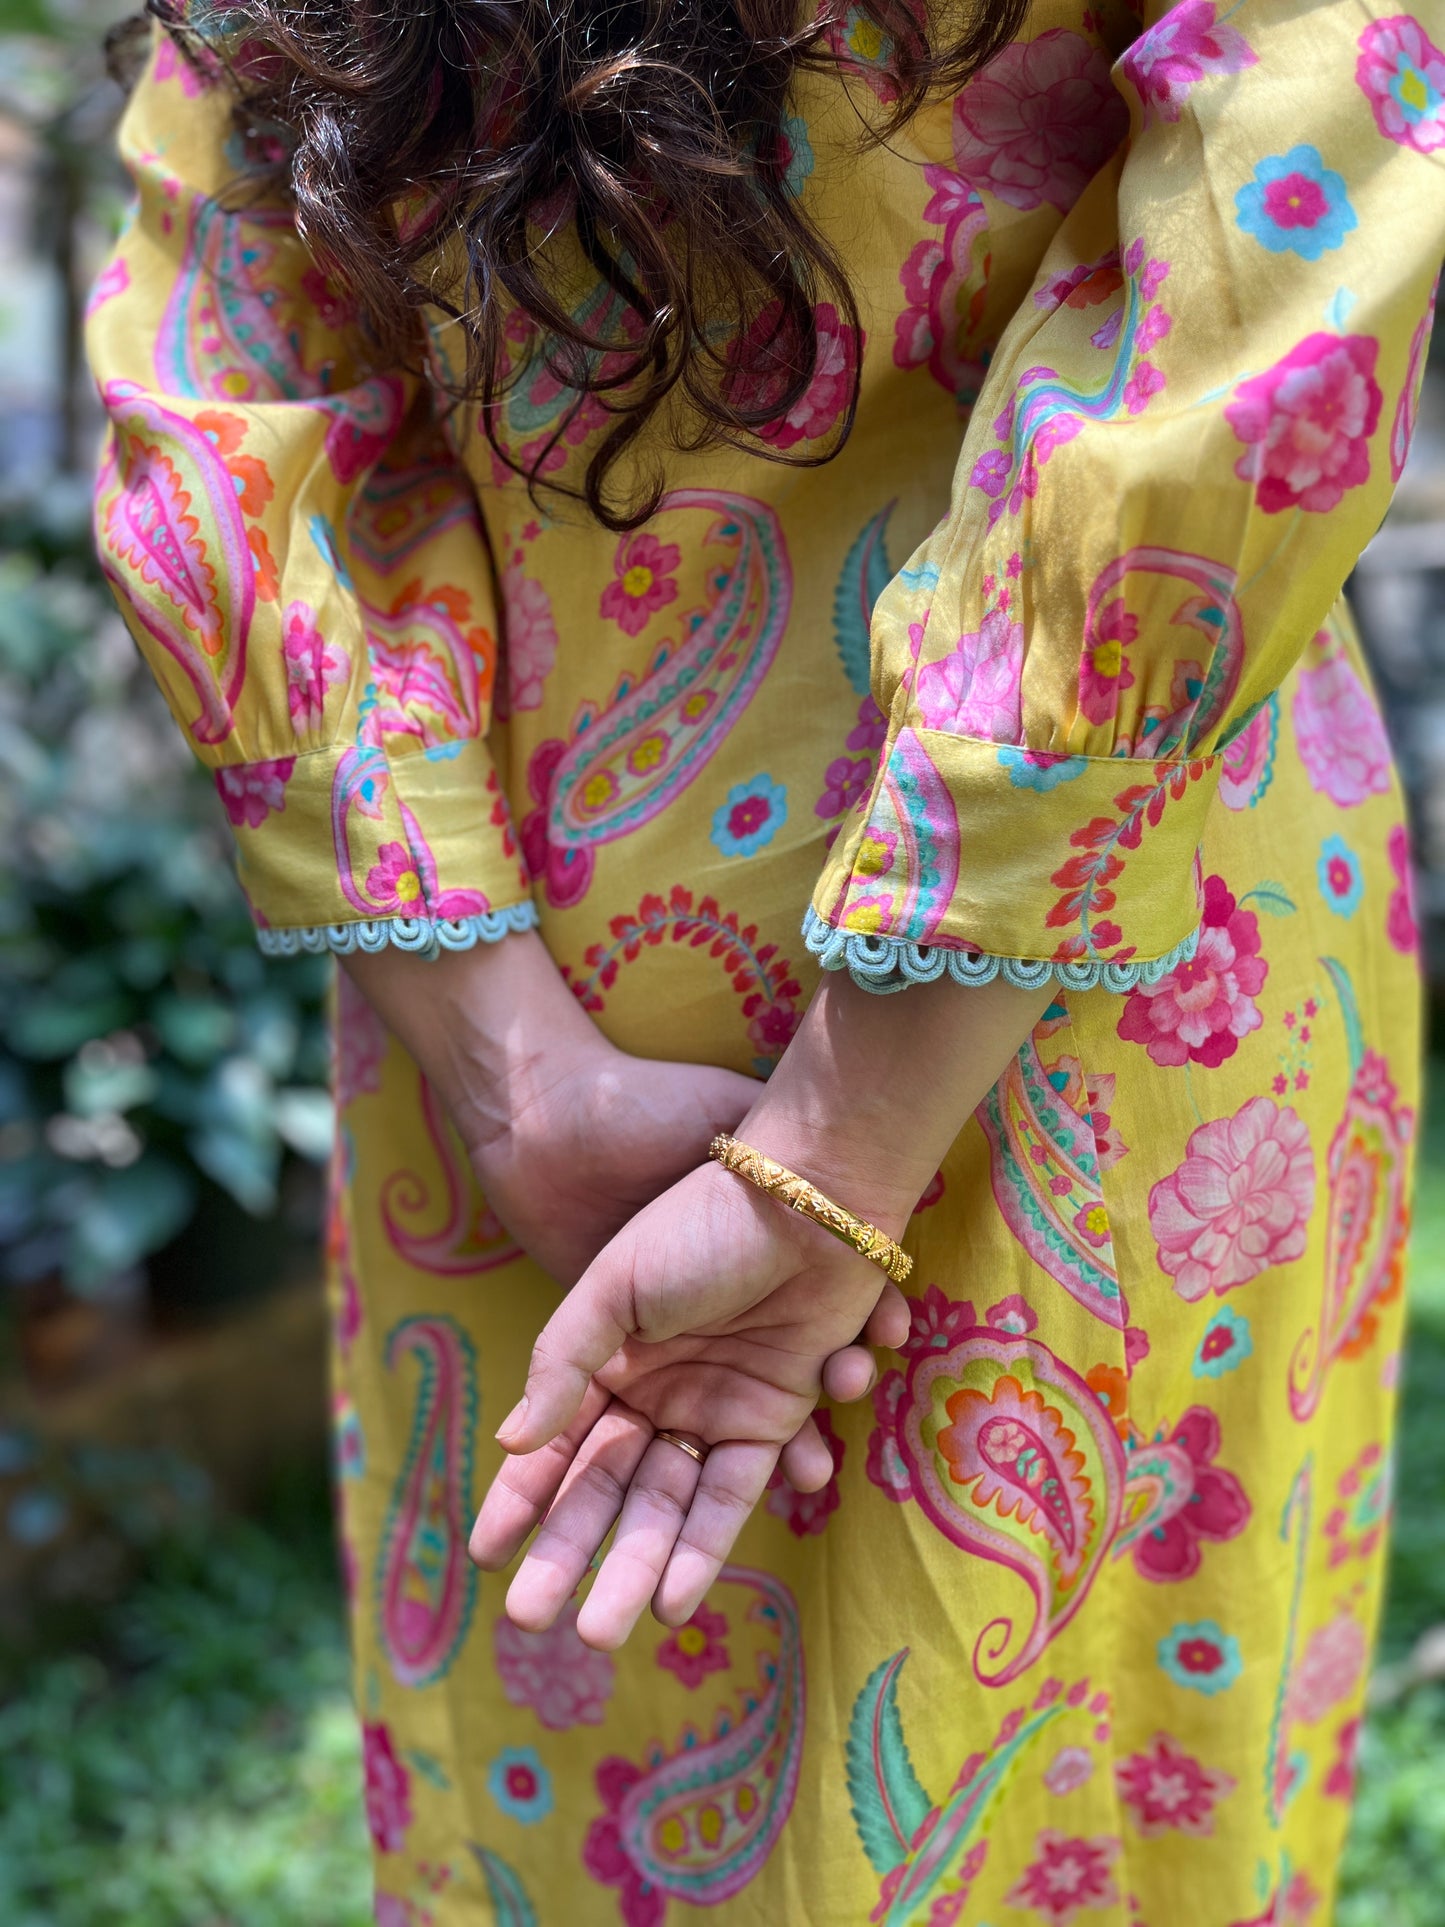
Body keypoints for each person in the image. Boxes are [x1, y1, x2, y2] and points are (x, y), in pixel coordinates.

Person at [87, 0, 1440, 1917]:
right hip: (1086, 969)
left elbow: (223, 369)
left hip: (515, 961)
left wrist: (514, 1066)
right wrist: (832, 1138)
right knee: (1085, 1789)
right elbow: (1258, 281)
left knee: (583, 1748)